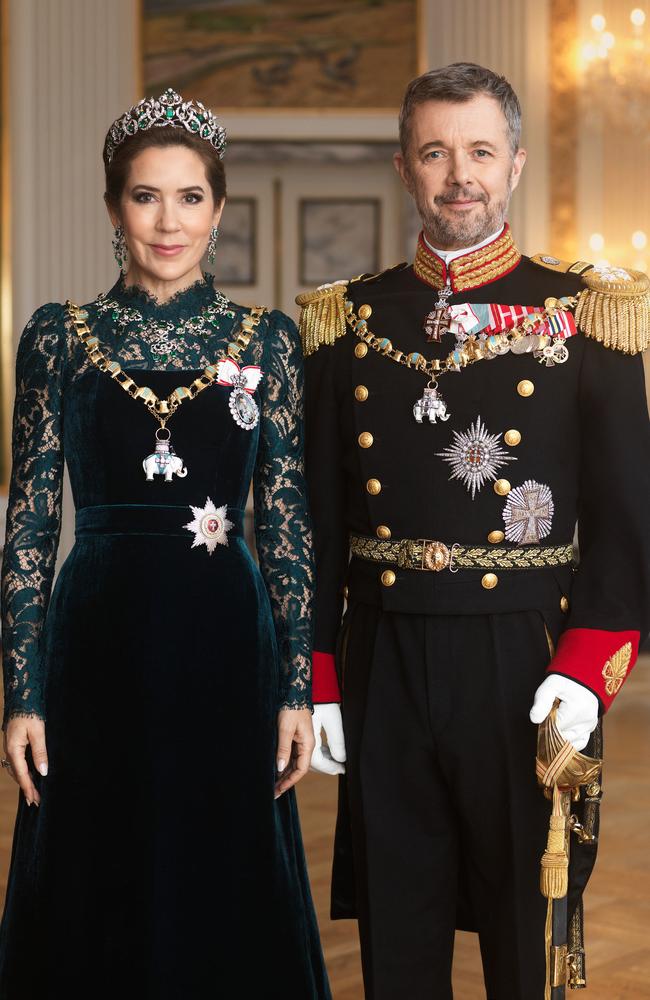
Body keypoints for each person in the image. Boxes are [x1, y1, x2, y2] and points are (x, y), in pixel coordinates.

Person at [299, 63, 650, 999]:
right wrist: (318, 673)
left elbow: (626, 522)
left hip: (525, 658)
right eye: (436, 151)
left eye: (481, 151)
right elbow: (320, 521)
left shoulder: (587, 313)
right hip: (382, 653)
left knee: (523, 941)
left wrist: (588, 667)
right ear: (406, 168)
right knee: (398, 941)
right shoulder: (347, 320)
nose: (460, 173)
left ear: (517, 164)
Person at [0, 89, 331, 1000]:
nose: (168, 220)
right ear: (115, 208)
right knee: (91, 871)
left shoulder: (267, 339)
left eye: (190, 197)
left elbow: (288, 515)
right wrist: (21, 694)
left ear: (218, 208)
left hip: (228, 642)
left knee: (221, 868)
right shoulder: (58, 338)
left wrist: (297, 684)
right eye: (146, 197)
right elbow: (29, 521)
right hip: (94, 646)